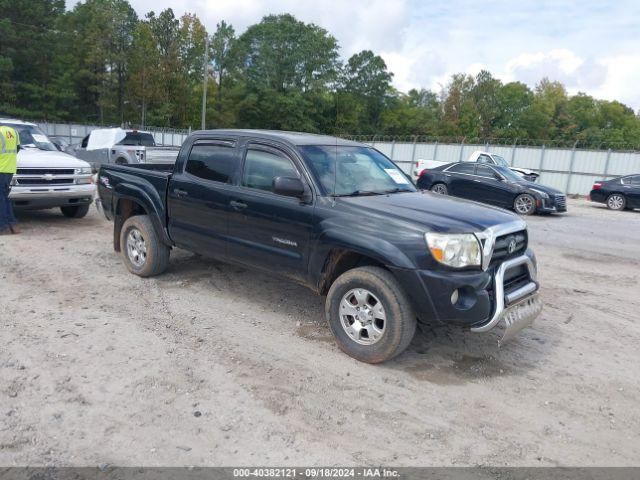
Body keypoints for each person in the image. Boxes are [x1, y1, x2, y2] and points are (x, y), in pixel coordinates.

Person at [0, 124, 20, 235]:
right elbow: (17, 149)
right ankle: (13, 224)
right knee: (4, 197)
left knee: (1, 198)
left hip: (0, 169)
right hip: (10, 168)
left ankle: (3, 226)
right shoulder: (14, 132)